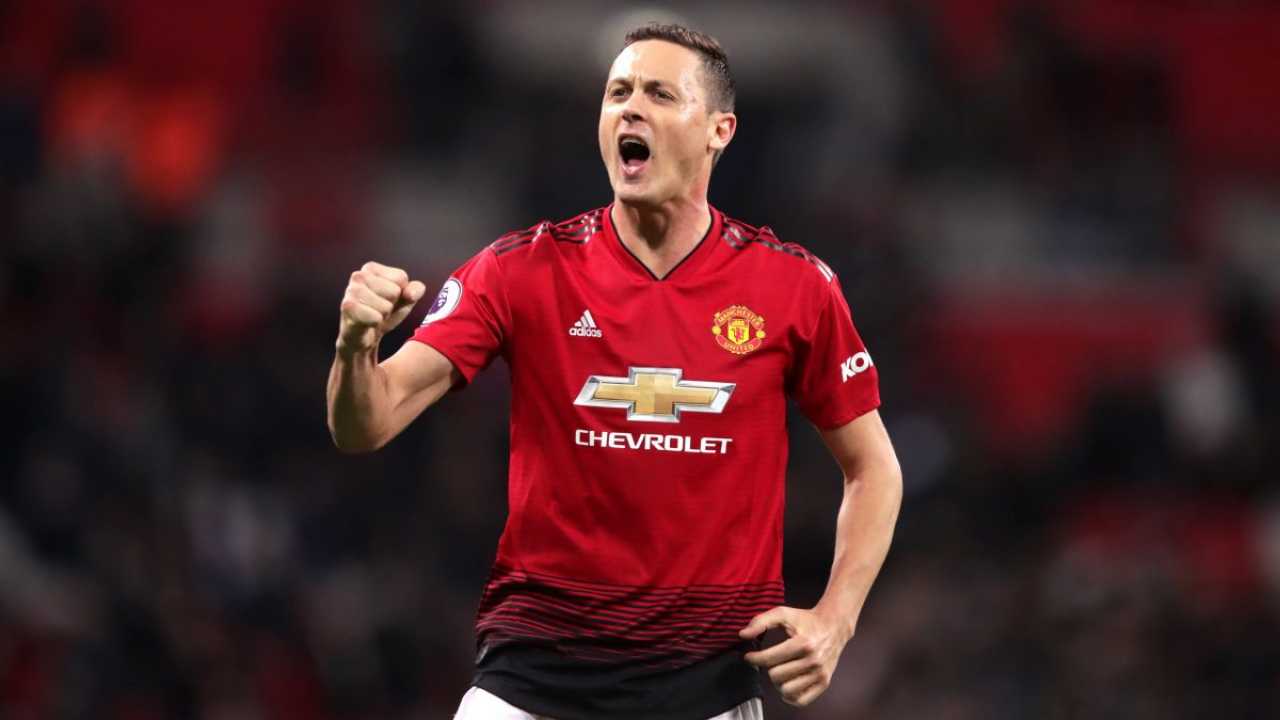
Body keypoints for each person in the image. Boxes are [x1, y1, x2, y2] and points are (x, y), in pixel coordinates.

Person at [326, 23, 902, 720]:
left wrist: (836, 618)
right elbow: (366, 423)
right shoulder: (520, 271)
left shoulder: (793, 288)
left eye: (660, 94)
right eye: (618, 93)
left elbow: (873, 468)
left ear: (719, 131)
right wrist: (355, 346)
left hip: (706, 691)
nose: (631, 108)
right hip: (530, 683)